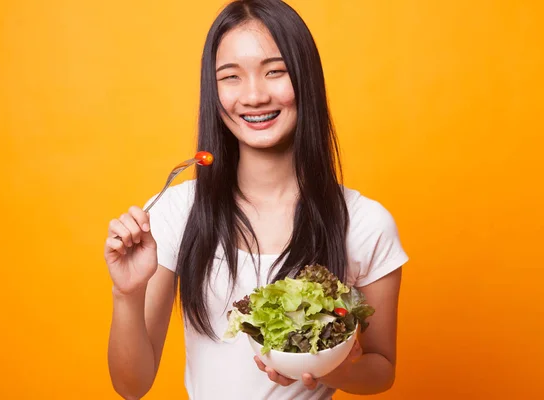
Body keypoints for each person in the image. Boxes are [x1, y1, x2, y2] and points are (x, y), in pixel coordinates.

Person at [104, 0, 409, 399]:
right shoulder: (177, 211)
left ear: (306, 79)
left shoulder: (366, 223)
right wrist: (126, 294)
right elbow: (132, 386)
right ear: (213, 91)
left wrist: (325, 368)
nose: (253, 95)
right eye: (231, 77)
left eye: (275, 72)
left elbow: (381, 369)